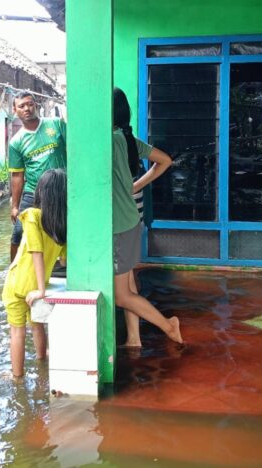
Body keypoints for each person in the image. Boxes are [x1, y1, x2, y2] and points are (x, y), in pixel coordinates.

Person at [112, 88, 182, 346]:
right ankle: (134, 339)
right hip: (130, 218)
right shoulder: (127, 139)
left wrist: (134, 186)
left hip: (121, 223)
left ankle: (168, 325)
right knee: (128, 284)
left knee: (122, 294)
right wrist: (136, 186)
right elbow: (165, 161)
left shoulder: (110, 140)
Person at [2, 168, 67, 377]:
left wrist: (41, 290)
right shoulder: (61, 227)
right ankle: (41, 363)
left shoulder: (32, 216)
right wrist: (41, 289)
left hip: (17, 284)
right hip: (38, 286)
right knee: (37, 325)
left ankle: (17, 377)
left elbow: (35, 251)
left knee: (17, 331)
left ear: (40, 192)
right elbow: (64, 260)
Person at [8, 91, 67, 262]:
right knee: (18, 233)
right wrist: (14, 206)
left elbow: (74, 150)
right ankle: (12, 270)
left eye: (30, 104)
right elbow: (18, 175)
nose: (27, 108)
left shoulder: (56, 125)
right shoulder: (16, 142)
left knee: (64, 228)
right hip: (33, 191)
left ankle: (64, 265)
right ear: (15, 110)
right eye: (21, 106)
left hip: (60, 187)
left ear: (36, 105)